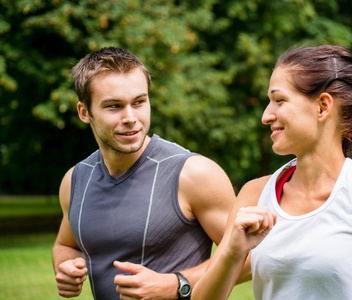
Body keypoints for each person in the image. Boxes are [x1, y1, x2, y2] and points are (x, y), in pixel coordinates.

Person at [192, 44, 352, 299]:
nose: (266, 115)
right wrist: (231, 253)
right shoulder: (254, 195)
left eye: (279, 100)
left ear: (323, 107)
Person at [52, 47, 236, 300]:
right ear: (85, 112)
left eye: (139, 102)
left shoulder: (194, 173)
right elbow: (66, 245)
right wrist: (67, 267)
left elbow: (249, 256)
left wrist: (176, 284)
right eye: (114, 106)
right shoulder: (75, 180)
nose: (130, 118)